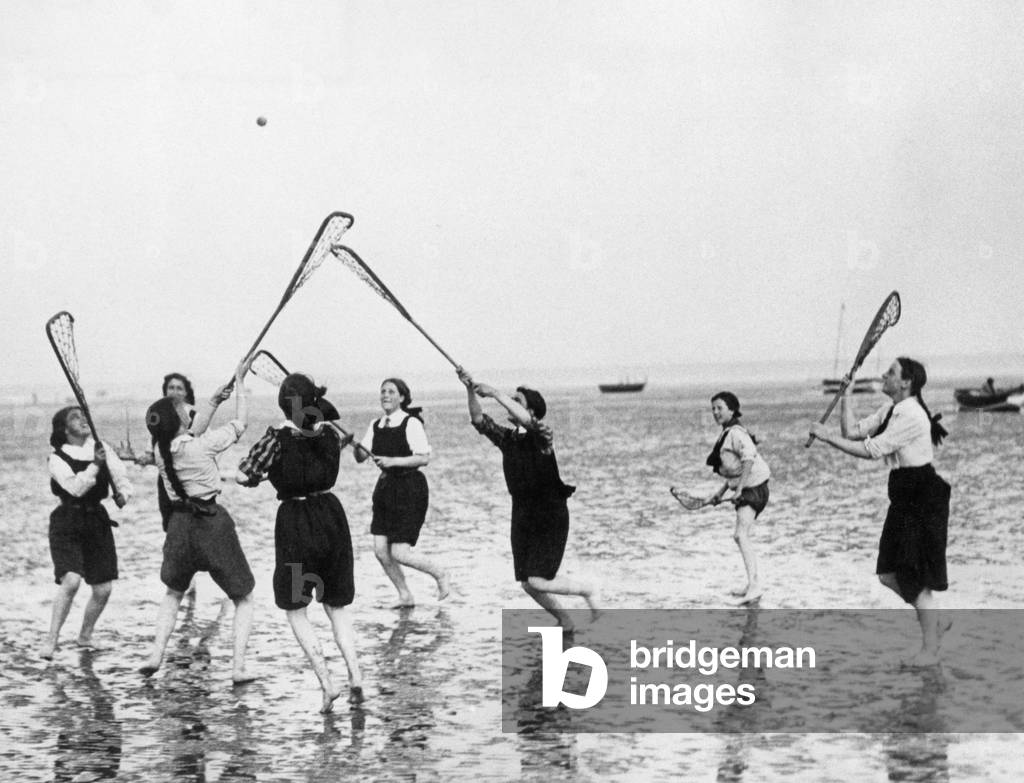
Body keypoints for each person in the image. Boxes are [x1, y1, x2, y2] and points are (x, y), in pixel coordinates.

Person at [809, 357, 951, 666]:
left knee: (914, 576)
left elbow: (872, 450)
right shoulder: (891, 410)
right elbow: (853, 432)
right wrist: (845, 394)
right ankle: (934, 621)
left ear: (905, 383)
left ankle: (930, 650)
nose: (883, 376)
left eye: (890, 373)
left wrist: (826, 437)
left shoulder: (912, 415)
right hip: (904, 494)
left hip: (923, 495)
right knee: (888, 574)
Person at [236, 373, 363, 712]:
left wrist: (252, 478)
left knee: (295, 607)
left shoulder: (277, 438)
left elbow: (246, 470)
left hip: (295, 524)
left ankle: (327, 683)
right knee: (337, 606)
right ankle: (356, 675)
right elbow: (323, 439)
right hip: (332, 518)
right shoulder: (327, 433)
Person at [139, 360, 257, 684]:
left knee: (173, 593)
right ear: (180, 420)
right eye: (182, 410)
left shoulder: (163, 452)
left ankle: (156, 654)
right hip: (211, 523)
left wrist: (215, 400)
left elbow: (191, 429)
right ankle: (238, 667)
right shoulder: (201, 447)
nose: (187, 411)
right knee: (244, 597)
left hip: (178, 526)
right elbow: (241, 423)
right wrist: (241, 386)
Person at [457, 368, 598, 629]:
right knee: (527, 583)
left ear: (532, 411)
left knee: (539, 580)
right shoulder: (508, 438)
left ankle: (587, 590)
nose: (510, 402)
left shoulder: (542, 434)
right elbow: (478, 419)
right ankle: (565, 621)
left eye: (517, 400)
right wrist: (469, 389)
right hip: (522, 514)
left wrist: (496, 393)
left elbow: (529, 424)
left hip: (550, 513)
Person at [43, 407, 132, 659]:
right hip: (67, 520)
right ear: (63, 428)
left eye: (83, 416)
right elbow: (75, 488)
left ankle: (85, 636)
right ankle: (51, 639)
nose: (82, 420)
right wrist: (95, 465)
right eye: (75, 417)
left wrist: (123, 495)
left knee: (103, 589)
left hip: (97, 520)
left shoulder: (101, 448)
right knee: (71, 580)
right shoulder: (57, 457)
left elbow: (121, 478)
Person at [354, 378, 449, 607]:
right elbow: (361, 457)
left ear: (402, 398)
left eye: (391, 392)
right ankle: (405, 595)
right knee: (380, 551)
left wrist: (392, 460)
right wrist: (355, 447)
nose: (385, 395)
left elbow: (424, 458)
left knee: (400, 553)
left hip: (410, 489)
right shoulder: (375, 424)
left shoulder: (411, 423)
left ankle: (440, 574)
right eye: (383, 392)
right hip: (386, 490)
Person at [700, 391, 771, 605]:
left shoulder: (736, 433)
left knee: (741, 535)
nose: (715, 412)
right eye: (713, 409)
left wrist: (739, 490)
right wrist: (720, 493)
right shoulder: (728, 432)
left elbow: (749, 458)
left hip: (754, 489)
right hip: (751, 487)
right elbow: (735, 469)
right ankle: (751, 584)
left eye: (719, 408)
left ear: (732, 409)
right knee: (740, 535)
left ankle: (755, 586)